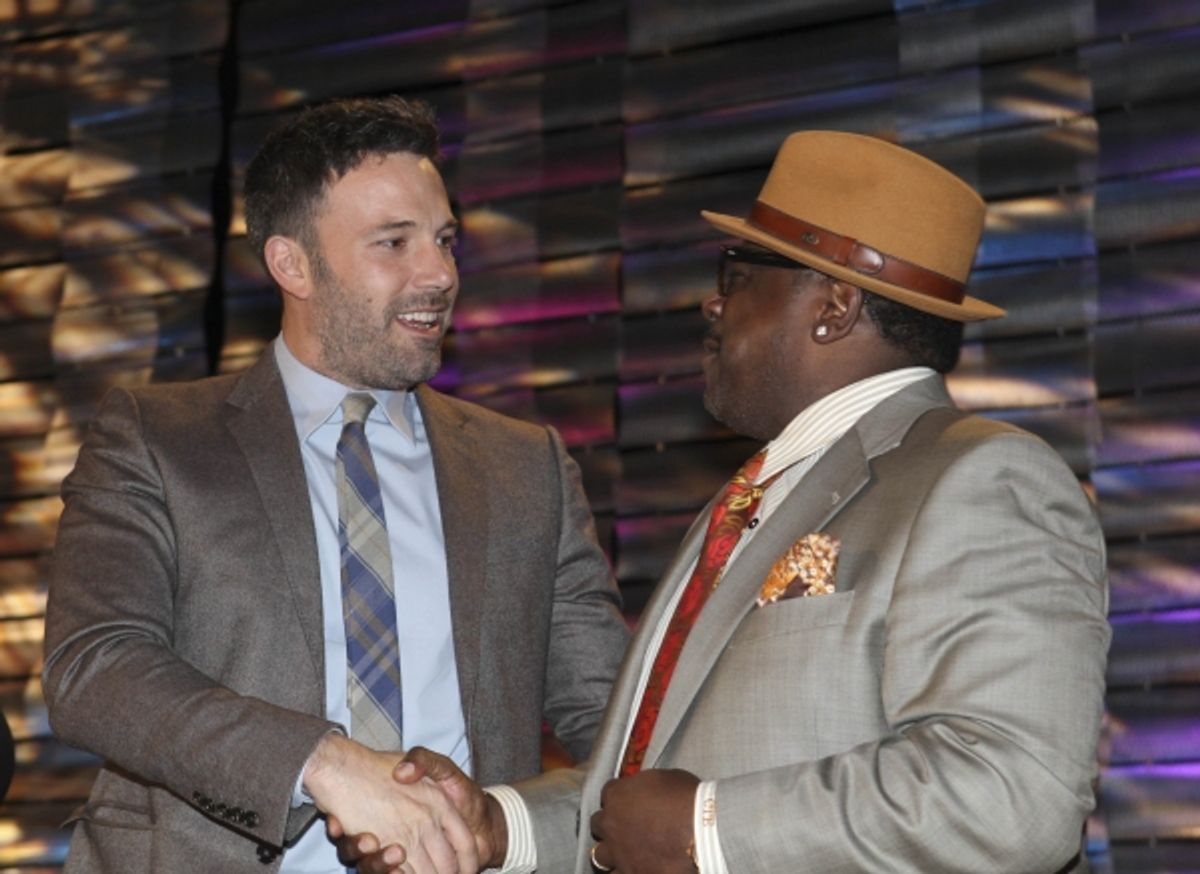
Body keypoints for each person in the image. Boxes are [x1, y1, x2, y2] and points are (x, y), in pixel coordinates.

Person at [339, 130, 1111, 874]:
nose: (711, 307)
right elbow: (656, 793)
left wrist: (711, 831)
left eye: (736, 278)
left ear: (834, 307)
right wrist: (498, 826)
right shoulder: (757, 494)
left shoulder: (981, 477)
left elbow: (1016, 794)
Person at [41, 95, 629, 873]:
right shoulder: (157, 438)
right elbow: (96, 664)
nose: (440, 275)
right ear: (292, 264)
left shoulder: (527, 466)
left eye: (446, 241)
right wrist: (326, 764)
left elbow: (619, 724)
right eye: (395, 243)